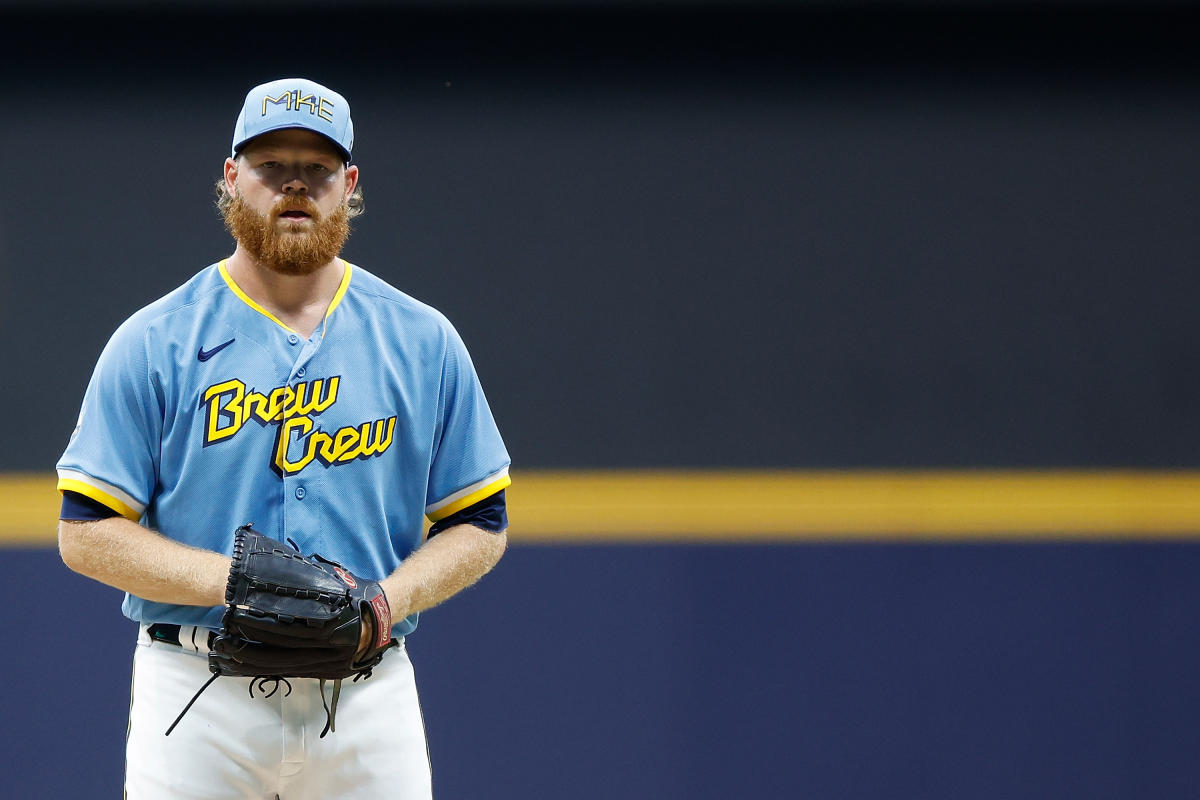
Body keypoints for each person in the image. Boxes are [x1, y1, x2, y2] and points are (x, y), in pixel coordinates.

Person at [55, 77, 511, 799]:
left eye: (318, 168)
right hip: (196, 694)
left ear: (349, 183)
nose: (295, 184)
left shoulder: (422, 340)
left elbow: (481, 523)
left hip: (369, 694)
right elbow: (85, 532)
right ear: (233, 177)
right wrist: (237, 586)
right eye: (272, 165)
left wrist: (382, 603)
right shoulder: (153, 341)